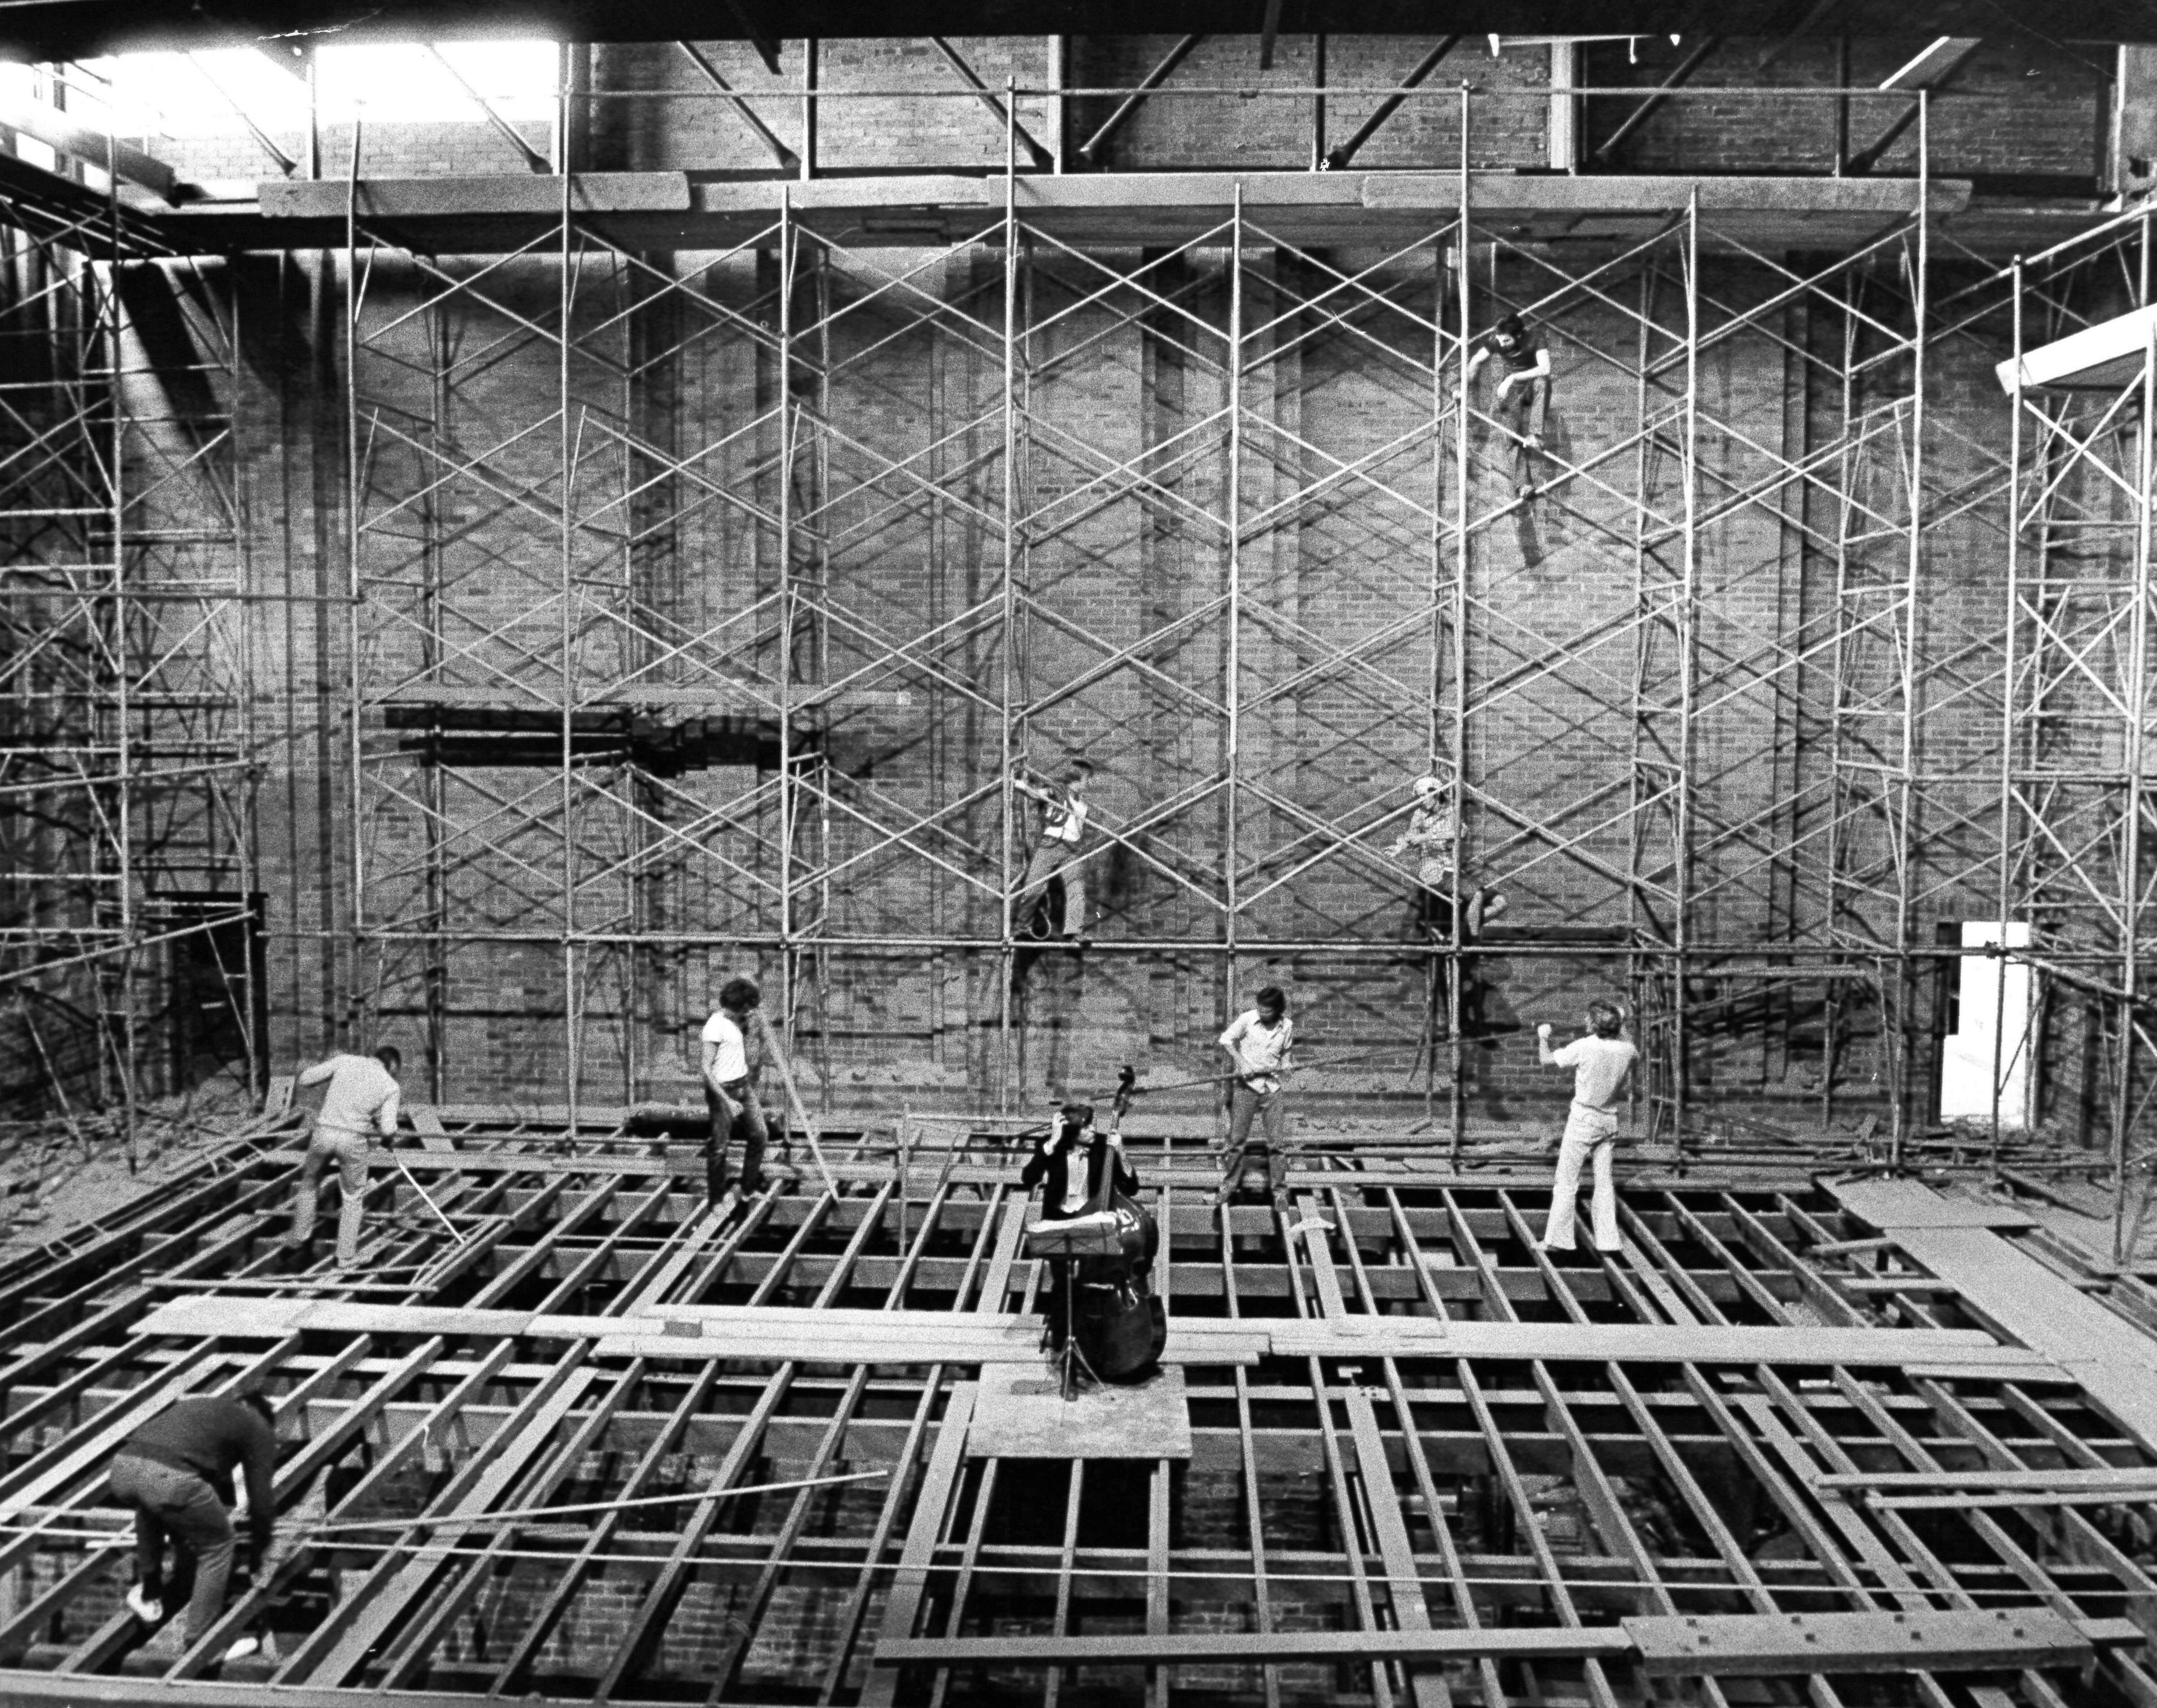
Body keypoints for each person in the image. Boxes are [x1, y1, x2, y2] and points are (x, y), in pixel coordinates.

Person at [110, 1390, 279, 1660]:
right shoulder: (259, 1428)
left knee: (151, 1504)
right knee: (220, 1544)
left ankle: (150, 1591)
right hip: (169, 1479)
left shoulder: (204, 1408)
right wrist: (260, 1556)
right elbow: (262, 1501)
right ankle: (203, 1646)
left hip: (122, 1468)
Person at [1019, 1101, 1138, 1350]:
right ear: (1072, 1132)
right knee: (1063, 1281)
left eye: (1093, 1124)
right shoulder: (1052, 1144)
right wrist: (1051, 1143)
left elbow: (1131, 1188)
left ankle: (1091, 1335)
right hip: (1060, 1220)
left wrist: (1122, 1153)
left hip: (1092, 1219)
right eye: (1086, 1126)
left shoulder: (1104, 1146)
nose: (1093, 1130)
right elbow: (1028, 1179)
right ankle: (1063, 1339)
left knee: (1087, 1279)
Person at [1536, 1000, 1638, 1256]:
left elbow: (1546, 1060)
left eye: (1588, 1019)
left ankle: (1556, 1241)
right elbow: (1626, 1042)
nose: (1585, 1021)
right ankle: (1608, 1242)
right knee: (1604, 1182)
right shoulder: (1628, 1050)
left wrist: (1542, 1037)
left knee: (1566, 1181)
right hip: (1609, 1121)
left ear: (1594, 1024)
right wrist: (1621, 1022)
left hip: (1583, 1120)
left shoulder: (1584, 1046)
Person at [288, 1046, 402, 1269]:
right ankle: (345, 1257)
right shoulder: (390, 1086)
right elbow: (388, 1130)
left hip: (324, 1132)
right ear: (394, 1066)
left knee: (310, 1184)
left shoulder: (345, 1061)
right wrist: (379, 1124)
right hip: (353, 1140)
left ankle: (298, 1237)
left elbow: (305, 1080)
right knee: (352, 1197)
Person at [1386, 772, 1506, 940]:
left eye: (1424, 796)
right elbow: (1411, 835)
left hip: (1454, 869)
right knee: (1478, 894)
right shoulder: (1420, 815)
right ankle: (1473, 940)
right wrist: (1399, 847)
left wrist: (1427, 837)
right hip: (1436, 872)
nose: (1421, 800)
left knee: (1500, 903)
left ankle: (1466, 927)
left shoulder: (1452, 811)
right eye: (1419, 797)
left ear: (1436, 793)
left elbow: (1460, 833)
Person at [1216, 986, 1296, 1203]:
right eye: (1260, 1009)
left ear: (1278, 1010)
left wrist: (1287, 1064)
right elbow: (1226, 1040)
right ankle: (1228, 1188)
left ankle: (1280, 1192)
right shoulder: (1247, 1019)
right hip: (1246, 1088)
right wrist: (1242, 1063)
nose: (1262, 1014)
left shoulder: (1287, 1026)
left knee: (1277, 1145)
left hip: (1272, 1088)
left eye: (1267, 1011)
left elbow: (1286, 1051)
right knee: (1236, 1142)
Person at [1465, 313, 1551, 496]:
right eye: (1499, 340)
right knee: (1511, 435)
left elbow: (1545, 368)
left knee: (1542, 382)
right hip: (1511, 393)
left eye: (1506, 341)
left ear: (1519, 336)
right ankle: (1523, 486)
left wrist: (1512, 378)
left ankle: (1536, 435)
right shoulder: (1497, 342)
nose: (1501, 345)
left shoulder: (1536, 338)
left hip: (1530, 385)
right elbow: (1476, 361)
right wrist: (1465, 387)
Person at [702, 976, 771, 1204]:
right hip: (723, 1091)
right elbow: (706, 1069)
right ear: (737, 1006)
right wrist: (727, 1101)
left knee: (760, 1135)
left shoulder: (737, 1021)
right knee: (720, 1147)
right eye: (747, 1009)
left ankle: (748, 1189)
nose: (750, 1012)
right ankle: (716, 1201)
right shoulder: (714, 1027)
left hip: (743, 1086)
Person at [1015, 759, 1094, 941]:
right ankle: (1022, 925)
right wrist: (1021, 785)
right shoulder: (1058, 793)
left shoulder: (1083, 805)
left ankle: (1074, 932)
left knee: (1076, 888)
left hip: (1072, 848)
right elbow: (1037, 794)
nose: (1089, 783)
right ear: (1078, 778)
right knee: (1034, 887)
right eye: (1087, 779)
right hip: (1051, 844)